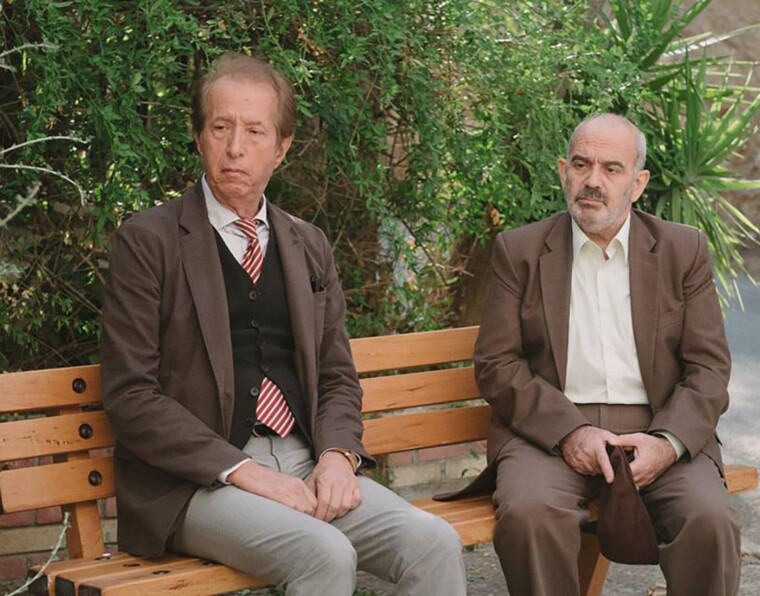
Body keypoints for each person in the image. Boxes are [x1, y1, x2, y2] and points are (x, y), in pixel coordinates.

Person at [101, 52, 466, 596]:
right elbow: (131, 395)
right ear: (199, 137)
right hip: (194, 481)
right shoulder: (148, 242)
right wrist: (244, 472)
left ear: (282, 147)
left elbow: (337, 376)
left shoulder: (307, 243)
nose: (236, 147)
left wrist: (338, 458)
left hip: (304, 462)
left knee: (433, 541)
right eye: (221, 128)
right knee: (323, 552)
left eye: (255, 131)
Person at [473, 113, 740, 595]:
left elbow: (709, 367)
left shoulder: (683, 250)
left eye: (611, 169)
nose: (593, 181)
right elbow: (497, 364)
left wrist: (668, 443)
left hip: (657, 424)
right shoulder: (520, 251)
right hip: (548, 431)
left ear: (638, 183)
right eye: (581, 165)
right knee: (530, 513)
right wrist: (569, 432)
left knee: (710, 518)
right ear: (563, 171)